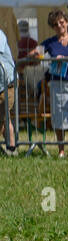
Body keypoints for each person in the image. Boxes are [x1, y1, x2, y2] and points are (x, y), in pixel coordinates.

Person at [35, 9, 68, 157]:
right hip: (57, 84)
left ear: (67, 22)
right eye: (55, 24)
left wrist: (63, 58)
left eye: (61, 22)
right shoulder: (50, 42)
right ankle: (61, 151)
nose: (59, 26)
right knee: (59, 118)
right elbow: (37, 52)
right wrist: (36, 55)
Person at [0, 26, 16, 155]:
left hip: (6, 83)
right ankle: (11, 149)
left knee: (4, 116)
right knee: (5, 118)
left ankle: (11, 149)